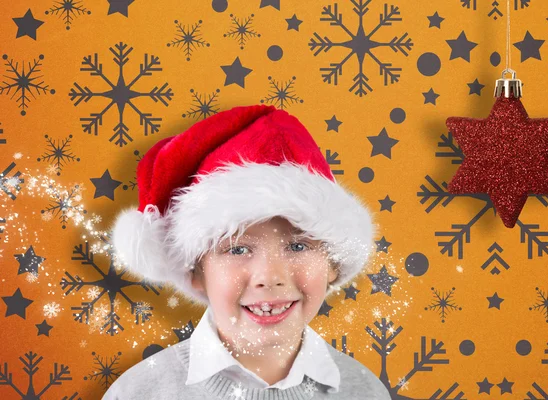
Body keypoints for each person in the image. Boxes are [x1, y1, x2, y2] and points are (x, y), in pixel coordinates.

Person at [105, 104, 391, 399]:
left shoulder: (365, 391)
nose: (270, 277)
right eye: (238, 248)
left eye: (298, 245)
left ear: (334, 263)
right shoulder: (138, 392)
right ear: (195, 271)